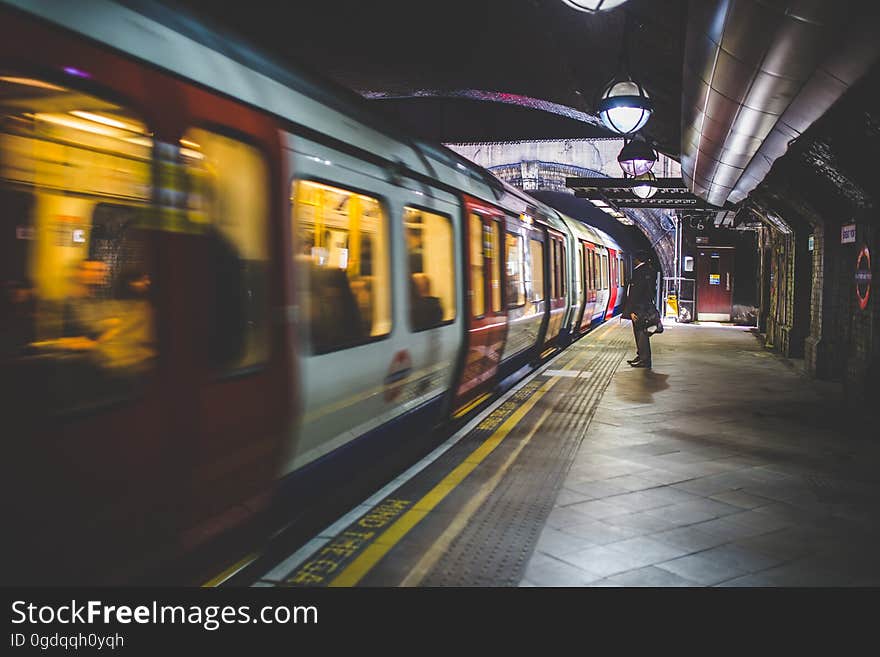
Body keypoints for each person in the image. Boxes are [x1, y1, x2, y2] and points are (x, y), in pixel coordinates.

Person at [623, 250, 661, 368]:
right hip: (645, 306)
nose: (634, 261)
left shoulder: (640, 272)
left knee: (641, 333)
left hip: (640, 308)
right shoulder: (649, 270)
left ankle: (644, 359)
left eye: (635, 259)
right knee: (641, 332)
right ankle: (641, 356)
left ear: (638, 259)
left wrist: (631, 311)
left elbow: (636, 293)